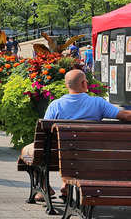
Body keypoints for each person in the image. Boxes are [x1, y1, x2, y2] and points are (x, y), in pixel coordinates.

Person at [20, 69, 131, 200]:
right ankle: (66, 184)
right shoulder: (98, 103)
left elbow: (45, 135)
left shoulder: (56, 105)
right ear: (84, 83)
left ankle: (45, 187)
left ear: (67, 85)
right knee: (73, 153)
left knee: (28, 151)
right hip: (90, 154)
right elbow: (124, 115)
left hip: (57, 156)